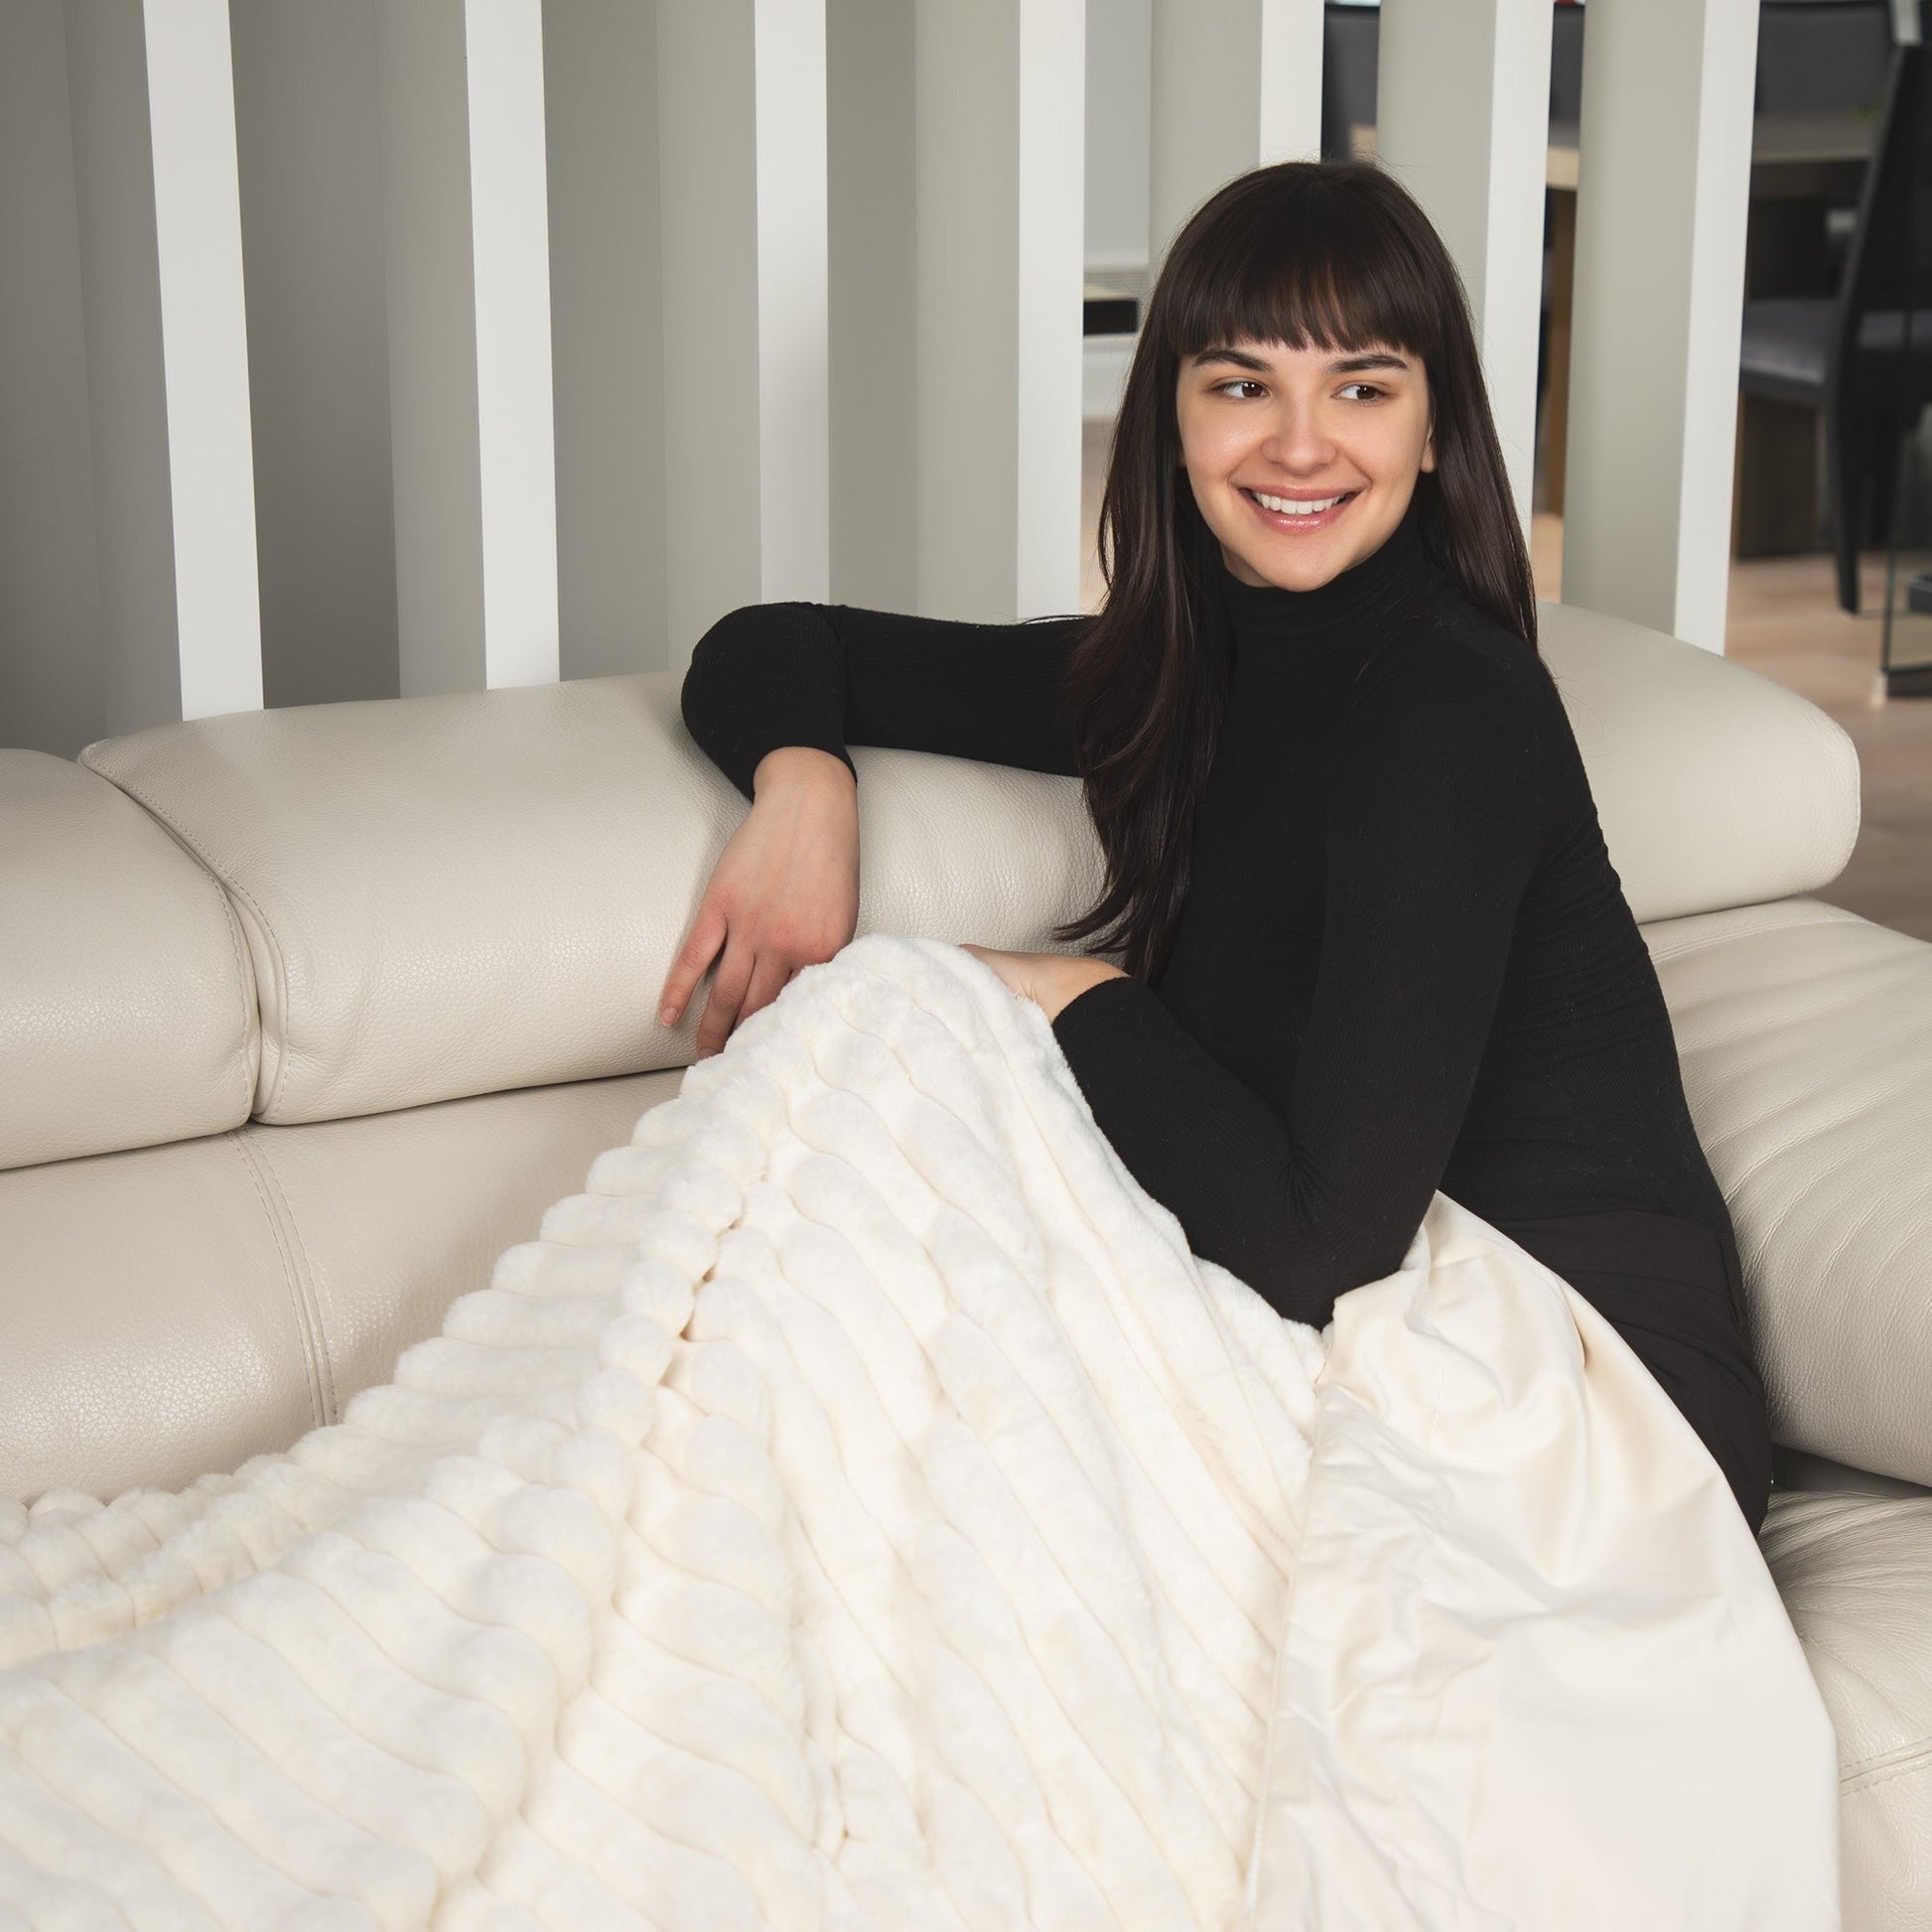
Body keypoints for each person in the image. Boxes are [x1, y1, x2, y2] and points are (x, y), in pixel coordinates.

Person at [661, 159, 1774, 1536]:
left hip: (1589, 1395)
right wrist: (803, 786)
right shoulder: (1170, 674)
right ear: (1172, 424)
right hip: (1369, 1311)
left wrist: (1065, 993)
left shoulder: (1450, 701)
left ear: (1433, 431)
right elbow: (773, 643)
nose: (1298, 447)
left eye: (1360, 388)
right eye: (1241, 386)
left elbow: (1320, 1241)